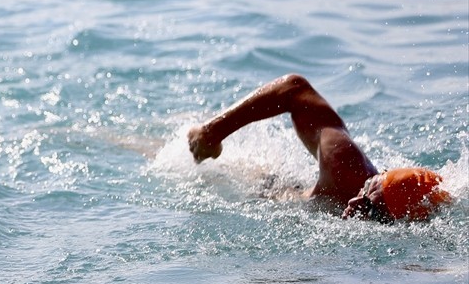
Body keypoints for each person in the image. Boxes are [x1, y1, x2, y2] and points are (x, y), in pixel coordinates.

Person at [187, 74, 450, 221]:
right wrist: (213, 132)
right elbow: (294, 88)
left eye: (372, 209)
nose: (356, 202)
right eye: (368, 190)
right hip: (268, 189)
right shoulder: (346, 166)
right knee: (183, 162)